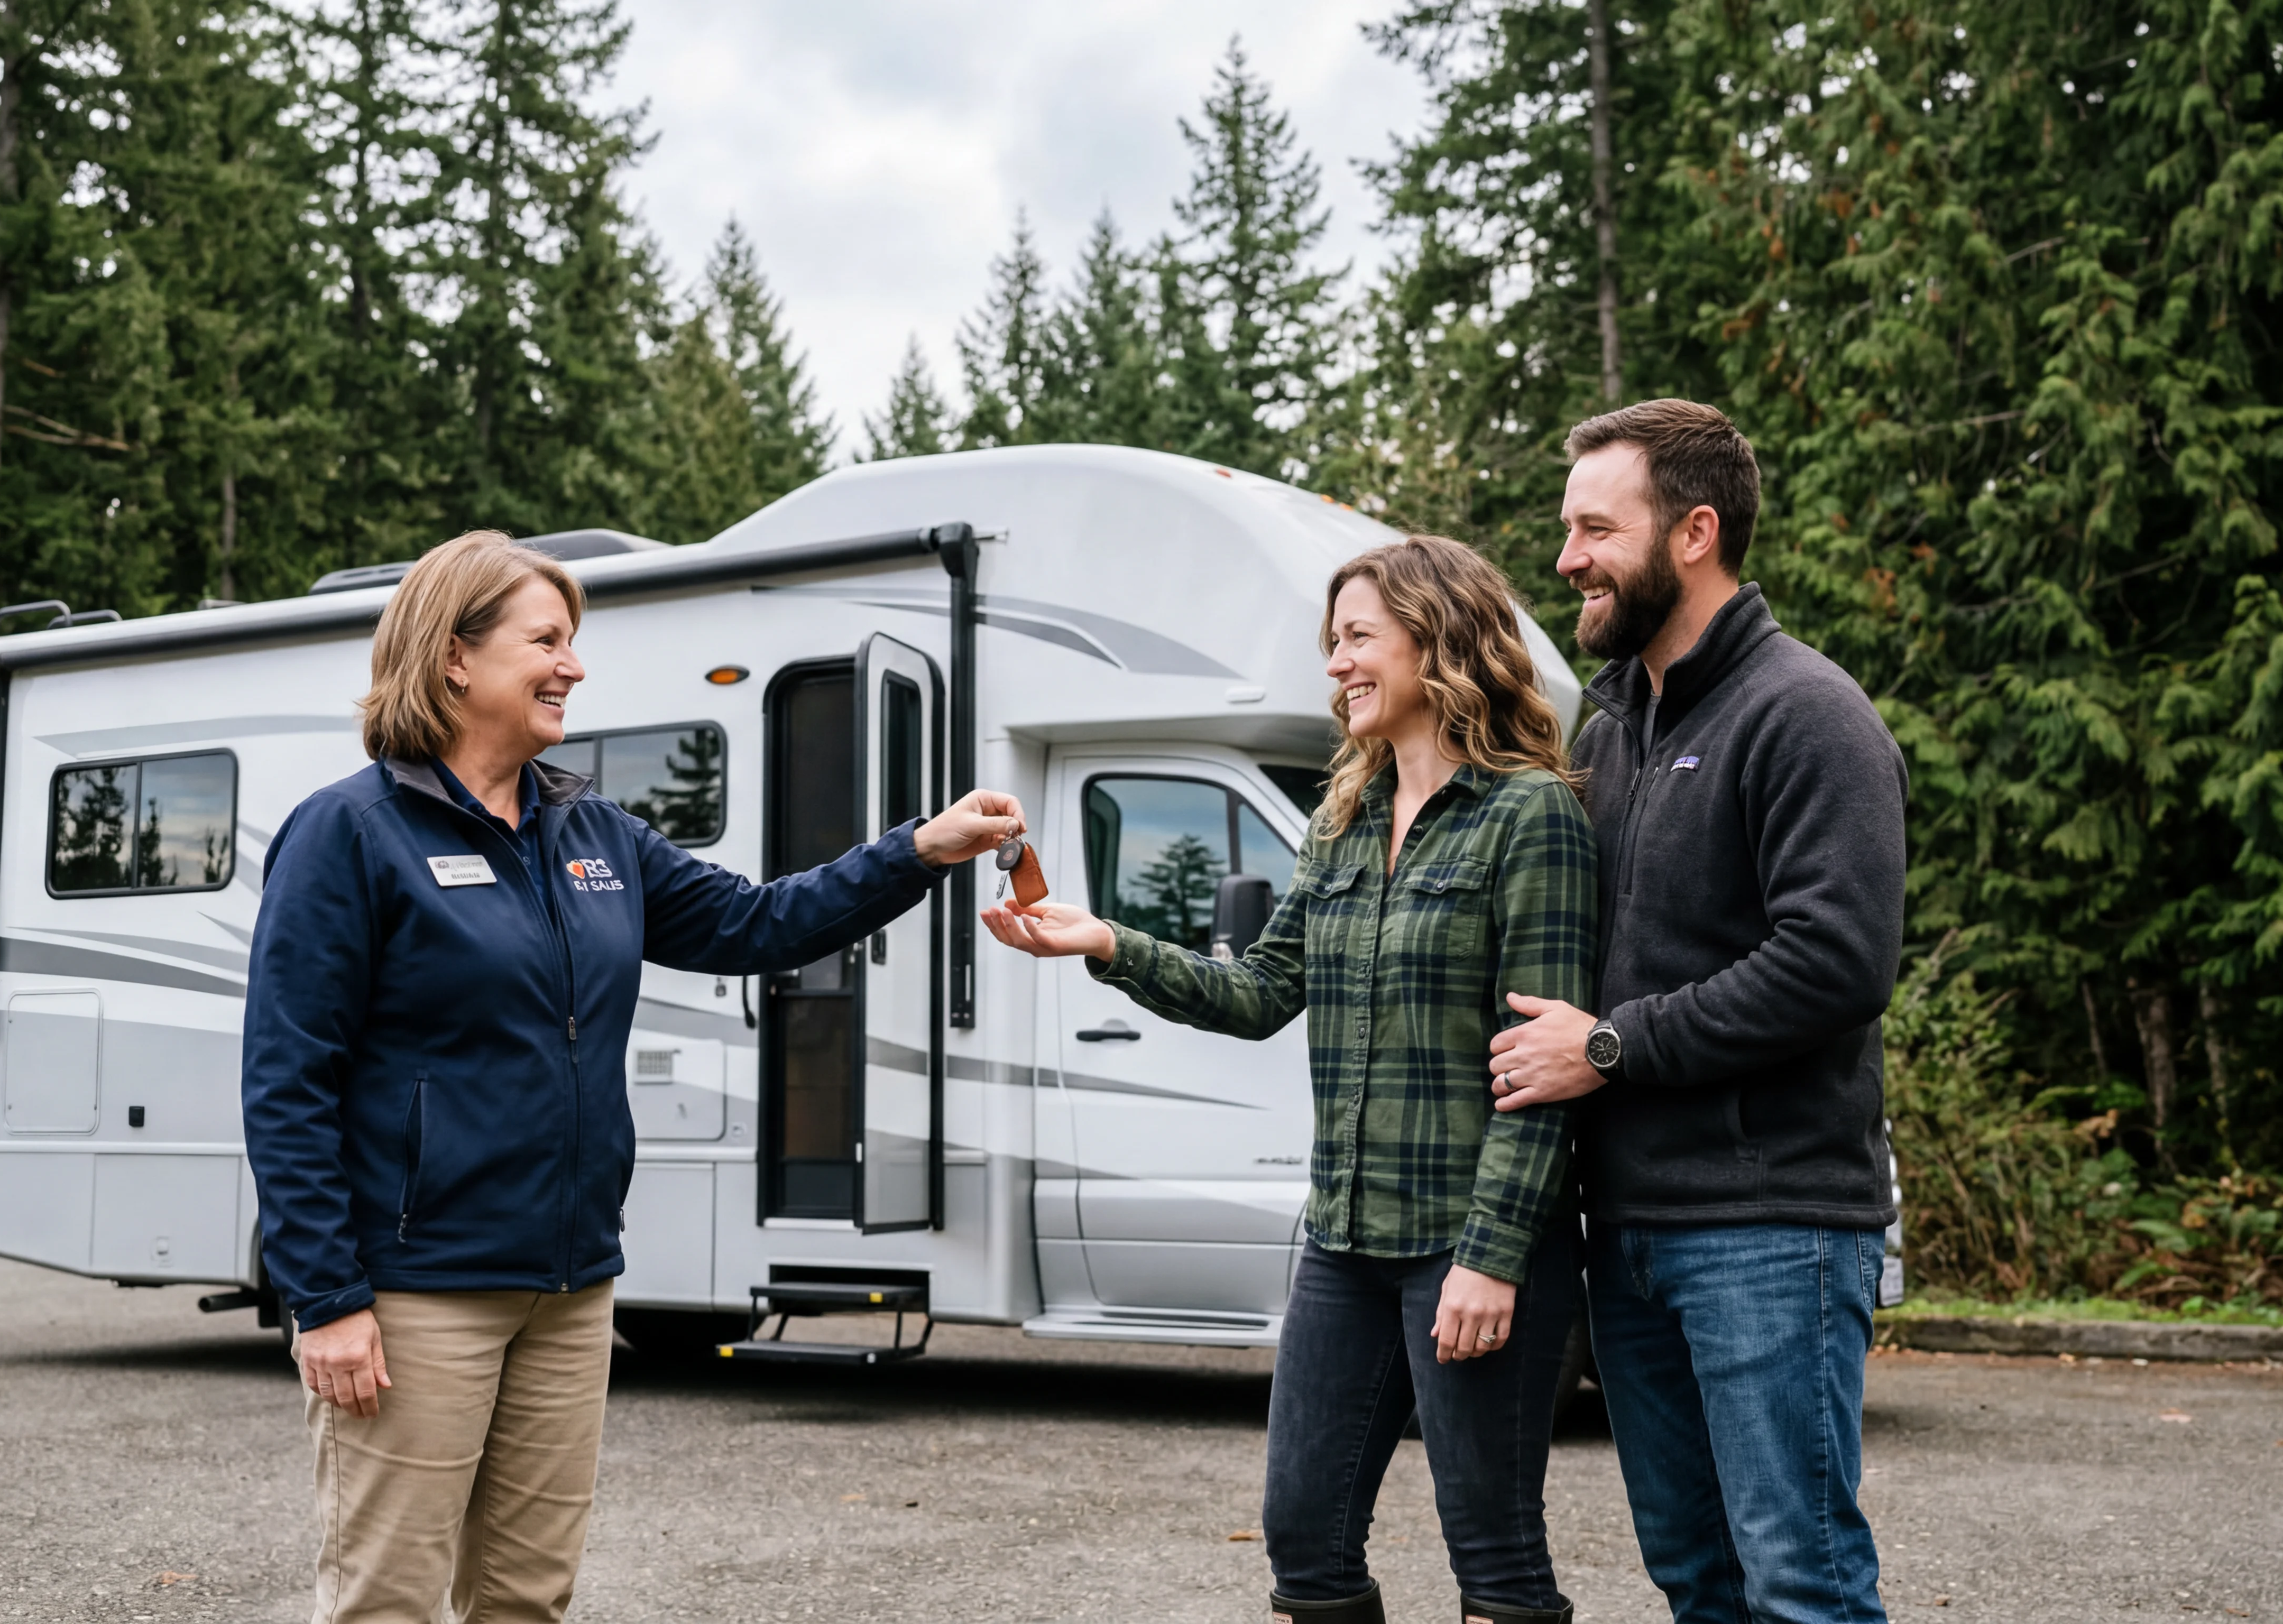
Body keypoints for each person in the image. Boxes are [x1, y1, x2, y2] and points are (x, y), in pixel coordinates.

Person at [242, 532, 1026, 1624]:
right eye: (546, 641)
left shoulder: (590, 829)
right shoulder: (349, 835)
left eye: (574, 643)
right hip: (419, 1292)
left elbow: (757, 922)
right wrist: (326, 1299)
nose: (571, 666)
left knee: (528, 1597)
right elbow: (288, 1077)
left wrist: (916, 852)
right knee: (388, 1603)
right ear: (455, 658)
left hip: (570, 1288)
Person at [985, 534, 1599, 1624]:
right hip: (1343, 1241)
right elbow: (1263, 989)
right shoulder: (1342, 821)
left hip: (1467, 1243)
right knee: (1303, 1539)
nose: (1337, 666)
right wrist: (1103, 943)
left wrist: (1493, 1259)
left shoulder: (1529, 817)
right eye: (1332, 644)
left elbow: (1541, 1064)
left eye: (1358, 638)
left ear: (1438, 639)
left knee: (1493, 1555)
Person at [1485, 399, 1907, 1624]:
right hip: (1628, 1230)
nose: (1565, 559)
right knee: (1698, 1583)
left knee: (1801, 1582)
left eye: (1591, 528)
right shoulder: (1609, 729)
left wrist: (1610, 1047)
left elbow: (1834, 962)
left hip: (1768, 1226)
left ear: (1693, 532)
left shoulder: (1806, 714)